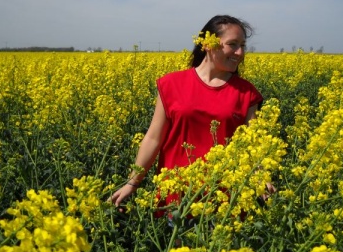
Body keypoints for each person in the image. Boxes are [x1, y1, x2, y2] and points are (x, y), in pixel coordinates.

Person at [110, 15, 264, 207]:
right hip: (175, 197)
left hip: (225, 202)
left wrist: (261, 179)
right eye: (232, 44)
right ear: (208, 44)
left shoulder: (247, 94)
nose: (240, 52)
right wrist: (132, 182)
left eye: (243, 45)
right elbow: (153, 138)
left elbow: (255, 146)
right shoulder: (171, 84)